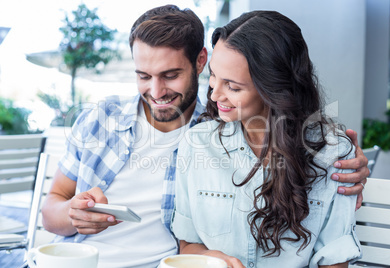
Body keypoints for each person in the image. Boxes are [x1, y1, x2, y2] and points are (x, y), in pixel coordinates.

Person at [41, 5, 368, 268]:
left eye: (170, 75)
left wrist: (349, 163)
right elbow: (50, 209)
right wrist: (73, 213)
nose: (155, 92)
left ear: (199, 62)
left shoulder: (213, 127)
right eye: (143, 76)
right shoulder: (102, 118)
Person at [172, 11, 363, 268]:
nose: (215, 94)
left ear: (274, 88)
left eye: (233, 86)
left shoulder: (332, 152)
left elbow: (333, 261)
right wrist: (213, 258)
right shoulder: (196, 143)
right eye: (214, 76)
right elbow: (187, 244)